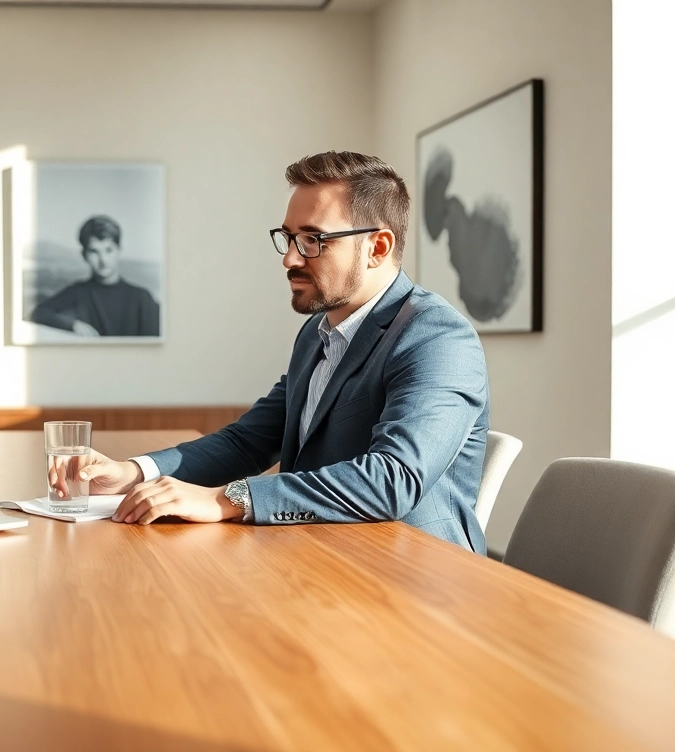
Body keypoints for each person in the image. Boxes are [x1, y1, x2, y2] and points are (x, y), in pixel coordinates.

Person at [53, 151, 489, 553]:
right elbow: (248, 442)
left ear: (377, 248)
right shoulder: (316, 333)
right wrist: (132, 473)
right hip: (319, 556)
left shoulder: (437, 338)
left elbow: (393, 480)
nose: (290, 260)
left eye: (313, 240)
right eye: (289, 238)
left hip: (415, 576)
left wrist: (227, 499)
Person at [30, 215, 161, 338]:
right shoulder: (78, 292)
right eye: (94, 252)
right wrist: (73, 325)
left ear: (119, 250)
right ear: (84, 255)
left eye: (108, 250)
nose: (103, 260)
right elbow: (38, 313)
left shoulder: (143, 298)